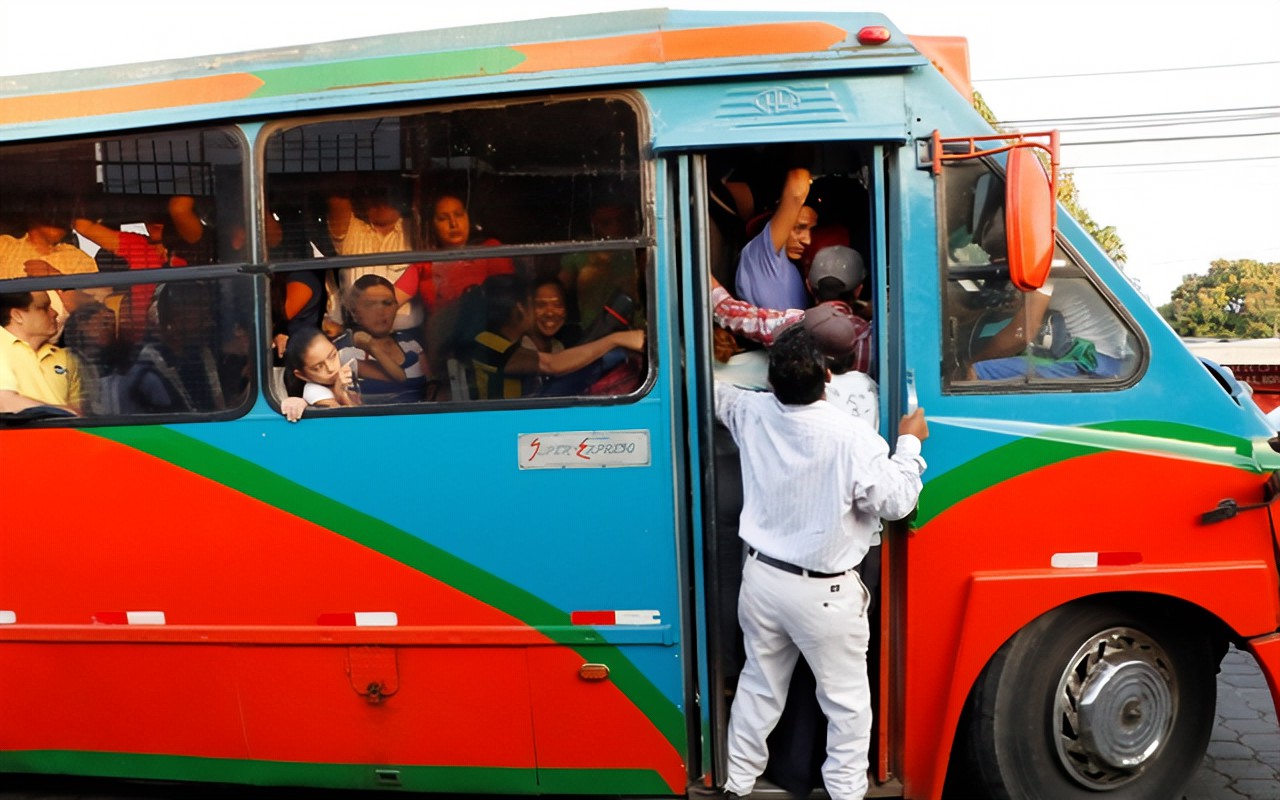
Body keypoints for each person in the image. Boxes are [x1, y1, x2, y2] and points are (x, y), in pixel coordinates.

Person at [714, 324, 927, 800]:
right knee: (846, 706)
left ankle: (737, 784)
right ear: (827, 377)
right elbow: (897, 504)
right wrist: (910, 445)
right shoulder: (853, 437)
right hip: (825, 594)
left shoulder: (749, 411)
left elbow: (714, 393)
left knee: (758, 687)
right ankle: (845, 793)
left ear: (771, 381)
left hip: (762, 580)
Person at [470, 274, 644, 400]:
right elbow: (552, 364)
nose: (548, 312)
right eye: (536, 304)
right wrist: (615, 339)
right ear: (520, 308)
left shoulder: (553, 344)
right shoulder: (486, 343)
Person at [968, 277, 1131, 380]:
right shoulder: (1058, 260)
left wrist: (972, 361)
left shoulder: (1042, 267)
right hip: (1109, 361)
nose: (977, 242)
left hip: (1087, 361)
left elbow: (1023, 332)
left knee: (975, 372)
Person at [74, 210, 188, 343]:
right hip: (140, 342)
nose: (155, 222)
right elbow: (82, 226)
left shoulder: (191, 249)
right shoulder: (139, 245)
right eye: (150, 214)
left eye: (163, 214)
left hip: (185, 339)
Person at [119, 282, 227, 414]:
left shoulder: (199, 357)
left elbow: (219, 410)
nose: (209, 323)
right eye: (202, 318)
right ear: (174, 322)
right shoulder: (147, 375)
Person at [325, 187, 419, 333]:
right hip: (353, 333)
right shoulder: (353, 229)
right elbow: (337, 190)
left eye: (388, 191)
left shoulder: (416, 230)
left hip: (408, 335)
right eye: (375, 191)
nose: (381, 200)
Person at [0, 197, 100, 327]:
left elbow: (91, 312)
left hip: (59, 333)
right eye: (52, 213)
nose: (61, 219)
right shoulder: (4, 247)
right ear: (32, 215)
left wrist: (55, 277)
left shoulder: (79, 259)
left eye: (65, 215)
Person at [332, 274, 427, 404]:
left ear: (396, 307)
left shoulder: (410, 343)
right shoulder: (340, 351)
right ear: (354, 311)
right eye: (369, 304)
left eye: (387, 303)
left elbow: (433, 387)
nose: (380, 311)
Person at [734, 167, 817, 311]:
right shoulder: (761, 254)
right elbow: (797, 186)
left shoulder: (795, 270)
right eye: (799, 228)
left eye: (811, 230)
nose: (807, 240)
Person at [558, 201, 639, 329]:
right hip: (595, 331)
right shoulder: (581, 250)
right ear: (593, 223)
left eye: (620, 220)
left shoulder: (636, 248)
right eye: (606, 223)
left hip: (635, 328)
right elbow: (556, 292)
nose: (615, 227)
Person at [0, 290, 80, 414]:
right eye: (44, 308)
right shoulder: (2, 346)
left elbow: (81, 411)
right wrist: (65, 412)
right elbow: (4, 403)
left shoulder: (66, 358)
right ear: (17, 315)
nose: (54, 313)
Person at [279, 326, 361, 422]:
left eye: (332, 356)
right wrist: (340, 394)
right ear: (302, 375)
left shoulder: (344, 362)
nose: (331, 368)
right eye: (318, 368)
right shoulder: (314, 391)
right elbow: (350, 421)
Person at [61, 301, 125, 416]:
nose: (110, 330)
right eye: (104, 323)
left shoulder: (117, 362)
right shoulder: (67, 360)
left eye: (113, 325)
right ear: (83, 325)